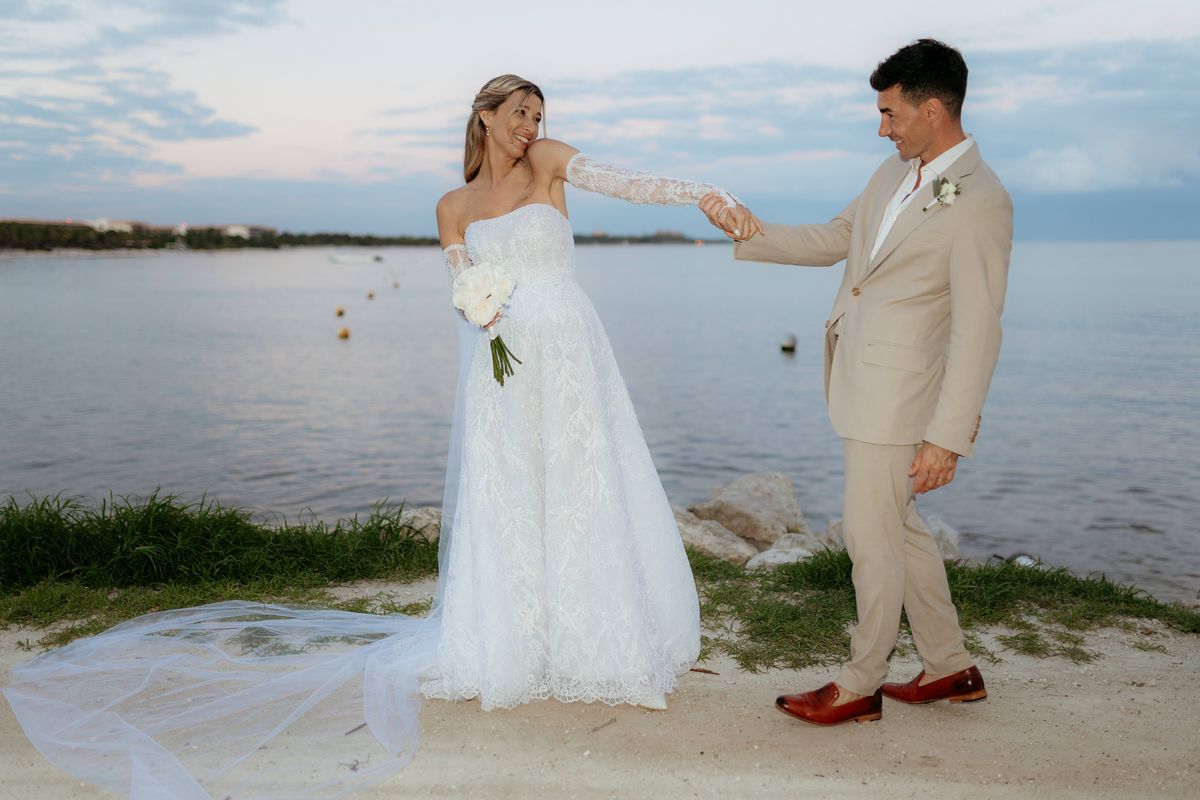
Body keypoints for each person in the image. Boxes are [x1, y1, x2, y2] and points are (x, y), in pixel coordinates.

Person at [1, 74, 753, 799]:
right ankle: (517, 651)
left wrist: (702, 196)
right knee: (516, 500)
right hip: (506, 370)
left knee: (587, 488)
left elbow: (628, 182)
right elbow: (463, 290)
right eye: (520, 113)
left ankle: (613, 656)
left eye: (539, 115)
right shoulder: (452, 205)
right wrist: (480, 309)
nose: (532, 128)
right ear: (485, 115)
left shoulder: (552, 166)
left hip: (572, 351)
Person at [702, 39, 1012, 725]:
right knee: (898, 530)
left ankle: (859, 682)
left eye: (890, 112)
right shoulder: (889, 175)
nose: (882, 127)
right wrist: (746, 229)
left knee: (872, 541)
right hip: (863, 383)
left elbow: (979, 329)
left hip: (902, 401)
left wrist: (947, 436)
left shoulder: (982, 201)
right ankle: (951, 666)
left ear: (932, 110)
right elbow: (836, 238)